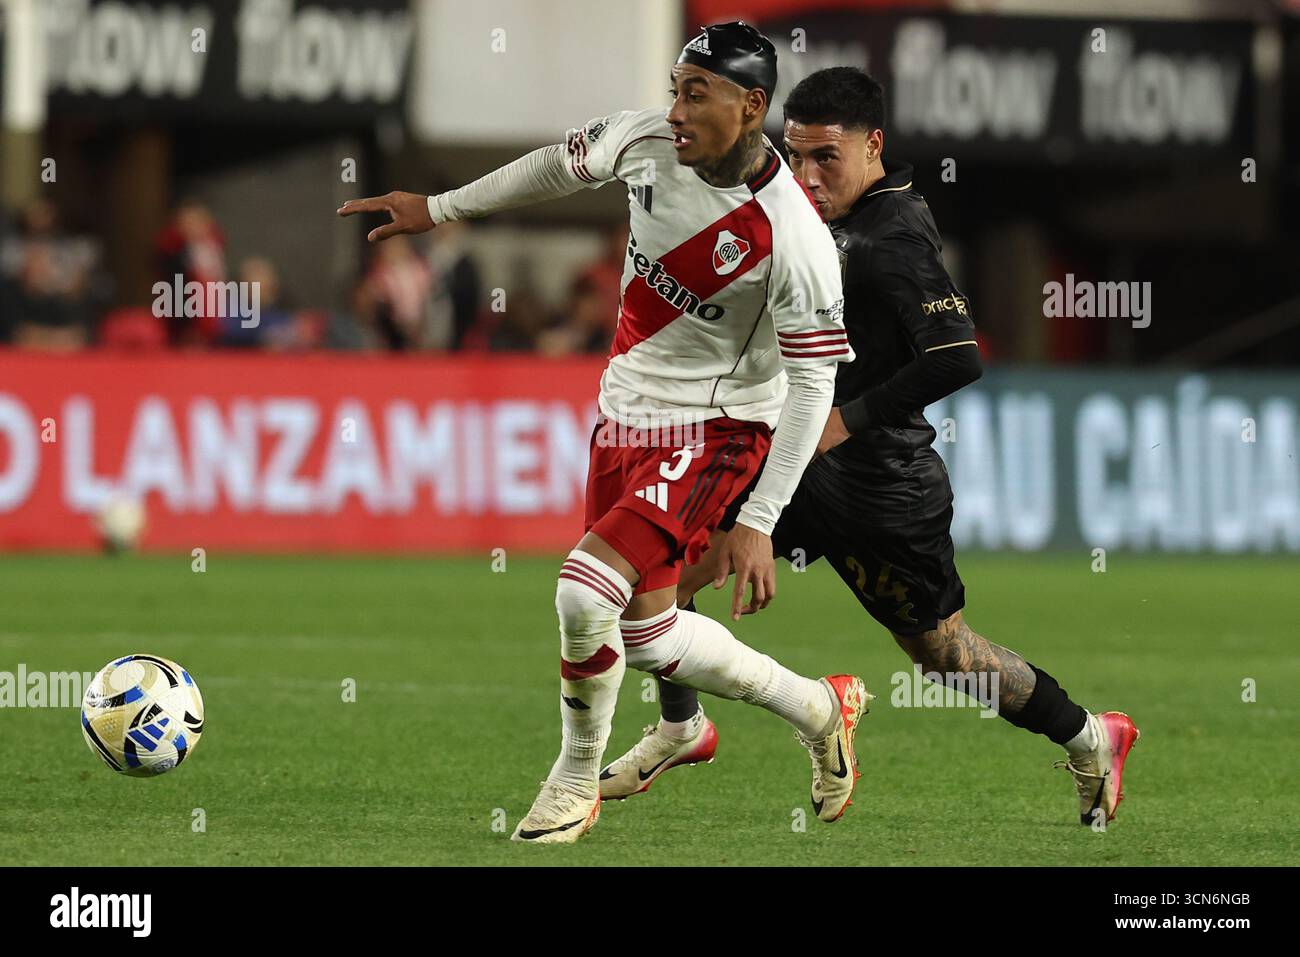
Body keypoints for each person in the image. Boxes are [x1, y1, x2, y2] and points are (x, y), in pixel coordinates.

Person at [339, 22, 869, 844]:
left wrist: (759, 520)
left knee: (584, 589)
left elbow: (813, 383)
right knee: (645, 632)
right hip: (623, 415)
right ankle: (815, 705)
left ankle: (572, 783)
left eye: (697, 95)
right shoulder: (645, 139)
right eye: (675, 89)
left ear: (752, 106)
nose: (677, 110)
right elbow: (554, 164)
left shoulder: (792, 237)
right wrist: (438, 209)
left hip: (717, 428)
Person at [600, 67, 1140, 830]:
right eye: (797, 155)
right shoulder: (799, 208)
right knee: (664, 579)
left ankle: (1092, 736)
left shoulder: (891, 238)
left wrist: (840, 422)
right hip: (788, 462)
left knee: (945, 656)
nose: (810, 177)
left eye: (828, 157)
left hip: (882, 486)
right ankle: (684, 728)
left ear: (873, 146)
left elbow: (958, 354)